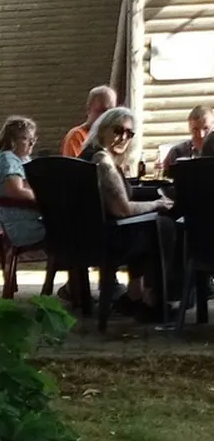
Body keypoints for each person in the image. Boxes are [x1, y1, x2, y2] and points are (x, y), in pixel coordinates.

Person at [80, 105, 178, 315]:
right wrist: (157, 204)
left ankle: (134, 295)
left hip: (86, 237)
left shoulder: (86, 156)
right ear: (102, 130)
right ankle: (153, 301)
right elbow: (122, 209)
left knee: (147, 224)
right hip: (107, 241)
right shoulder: (102, 160)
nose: (123, 137)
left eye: (129, 133)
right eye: (117, 130)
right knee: (163, 226)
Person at [0, 116, 45, 251]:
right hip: (25, 226)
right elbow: (16, 190)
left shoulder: (21, 159)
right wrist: (46, 198)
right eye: (25, 138)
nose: (31, 143)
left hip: (30, 222)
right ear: (12, 140)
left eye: (33, 139)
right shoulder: (8, 159)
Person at [62, 85, 116, 158]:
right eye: (101, 111)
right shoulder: (76, 137)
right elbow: (73, 164)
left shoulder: (115, 139)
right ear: (88, 109)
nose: (106, 116)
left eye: (111, 111)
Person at [159, 104, 211, 177]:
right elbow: (165, 180)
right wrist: (160, 170)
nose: (201, 135)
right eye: (195, 129)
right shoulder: (177, 152)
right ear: (189, 128)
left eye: (206, 128)